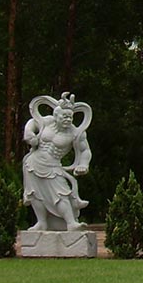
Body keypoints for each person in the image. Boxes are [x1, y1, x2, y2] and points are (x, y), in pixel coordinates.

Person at [22, 92, 92, 231]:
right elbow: (32, 122)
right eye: (64, 116)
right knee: (35, 194)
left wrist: (84, 164)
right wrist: (29, 134)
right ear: (56, 116)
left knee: (61, 194)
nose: (68, 119)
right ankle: (41, 222)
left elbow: (85, 151)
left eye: (70, 117)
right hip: (33, 163)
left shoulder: (76, 133)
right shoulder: (47, 122)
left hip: (53, 166)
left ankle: (71, 223)